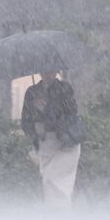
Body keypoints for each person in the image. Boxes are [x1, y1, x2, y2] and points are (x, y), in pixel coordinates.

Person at [21, 71, 82, 208]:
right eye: (45, 71)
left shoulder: (64, 88)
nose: (48, 74)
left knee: (55, 182)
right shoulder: (31, 92)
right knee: (48, 185)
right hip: (44, 145)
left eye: (51, 71)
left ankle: (61, 215)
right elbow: (25, 122)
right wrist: (35, 117)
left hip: (65, 144)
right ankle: (54, 215)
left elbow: (70, 114)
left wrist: (47, 109)